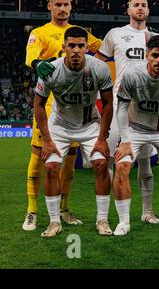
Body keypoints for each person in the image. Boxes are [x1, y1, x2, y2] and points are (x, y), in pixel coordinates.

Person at [23, 0, 102, 231]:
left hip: (76, 107)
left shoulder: (81, 35)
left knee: (69, 160)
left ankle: (64, 209)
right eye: (57, 4)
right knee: (40, 154)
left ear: (71, 6)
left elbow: (105, 50)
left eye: (66, 5)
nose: (62, 9)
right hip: (48, 105)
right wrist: (38, 64)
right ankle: (32, 211)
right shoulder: (40, 33)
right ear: (49, 6)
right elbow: (30, 57)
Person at [33, 26, 113, 238]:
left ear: (87, 47)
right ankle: (54, 222)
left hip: (89, 125)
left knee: (101, 163)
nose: (76, 50)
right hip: (59, 126)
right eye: (71, 45)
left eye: (80, 45)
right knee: (50, 167)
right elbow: (38, 105)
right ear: (64, 47)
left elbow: (107, 103)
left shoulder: (100, 69)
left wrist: (103, 138)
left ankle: (102, 220)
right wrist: (48, 141)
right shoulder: (51, 70)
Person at [95, 0, 159, 225]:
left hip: (145, 106)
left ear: (148, 11)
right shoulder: (115, 34)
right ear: (128, 9)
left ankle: (148, 212)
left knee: (144, 160)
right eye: (136, 5)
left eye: (144, 5)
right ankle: (108, 215)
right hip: (119, 102)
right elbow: (98, 61)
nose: (140, 8)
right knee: (112, 159)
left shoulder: (155, 37)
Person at [113, 35, 159, 235]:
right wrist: (126, 140)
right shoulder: (132, 75)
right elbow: (121, 109)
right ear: (147, 55)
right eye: (155, 55)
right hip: (135, 129)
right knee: (121, 167)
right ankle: (123, 222)